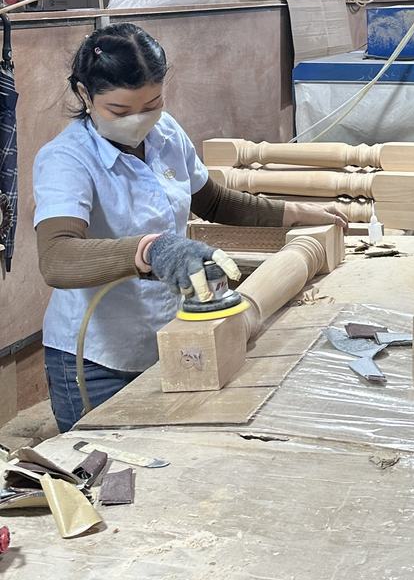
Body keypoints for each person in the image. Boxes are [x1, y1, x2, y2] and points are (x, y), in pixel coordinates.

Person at [33, 23, 347, 432]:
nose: (138, 120)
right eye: (120, 111)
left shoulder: (164, 133)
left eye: (152, 104)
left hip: (169, 335)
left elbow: (213, 201)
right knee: (103, 462)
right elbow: (56, 257)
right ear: (84, 94)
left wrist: (296, 212)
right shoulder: (66, 159)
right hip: (97, 357)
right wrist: (152, 249)